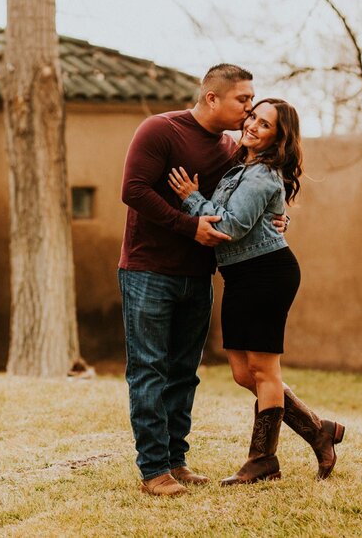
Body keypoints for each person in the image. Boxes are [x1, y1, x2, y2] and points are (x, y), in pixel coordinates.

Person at [119, 63, 288, 497]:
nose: (249, 109)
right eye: (243, 100)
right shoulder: (159, 130)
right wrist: (187, 225)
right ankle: (154, 470)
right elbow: (134, 191)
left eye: (253, 101)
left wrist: (276, 215)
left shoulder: (231, 147)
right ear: (212, 98)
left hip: (199, 273)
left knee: (183, 372)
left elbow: (254, 185)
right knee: (149, 371)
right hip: (148, 270)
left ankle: (177, 460)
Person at [167, 98, 345, 485]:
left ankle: (263, 461)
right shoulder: (241, 166)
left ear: (277, 139)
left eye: (264, 125)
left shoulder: (263, 174)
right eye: (252, 117)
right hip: (240, 276)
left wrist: (191, 199)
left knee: (264, 370)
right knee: (244, 373)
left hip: (267, 275)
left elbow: (229, 226)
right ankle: (319, 431)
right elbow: (261, 213)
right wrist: (278, 215)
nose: (252, 125)